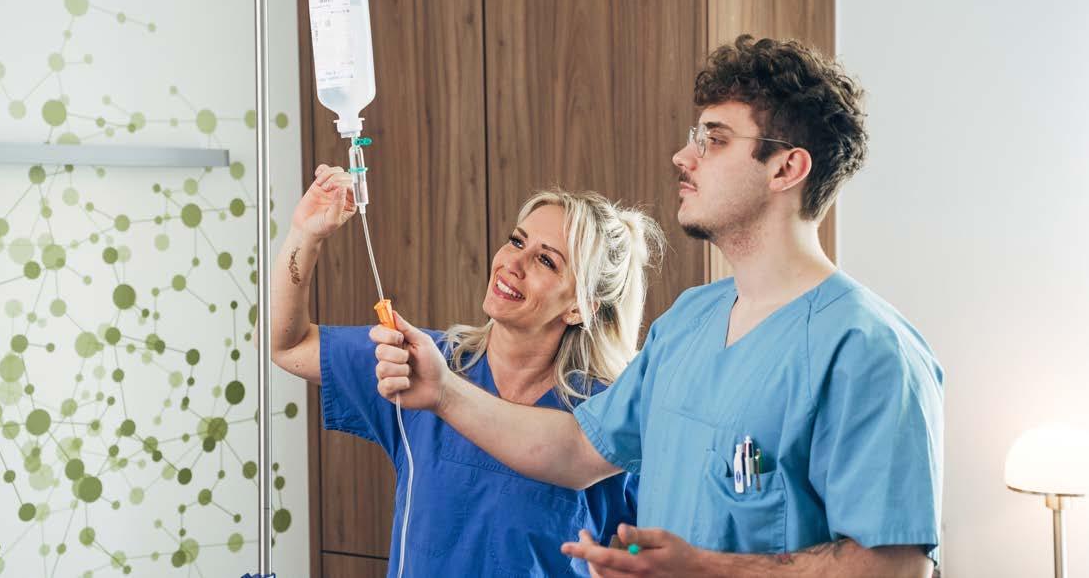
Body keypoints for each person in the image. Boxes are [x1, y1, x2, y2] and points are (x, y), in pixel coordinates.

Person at [370, 35, 944, 577]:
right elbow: (578, 449)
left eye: (714, 140)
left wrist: (707, 570)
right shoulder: (690, 320)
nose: (683, 156)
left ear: (785, 168)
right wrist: (444, 391)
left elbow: (896, 566)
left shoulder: (869, 352)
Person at [269, 168, 666, 577]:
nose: (513, 263)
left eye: (546, 261)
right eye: (517, 241)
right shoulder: (420, 362)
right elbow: (289, 346)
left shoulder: (607, 416)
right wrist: (305, 234)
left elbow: (659, 543)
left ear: (579, 307)